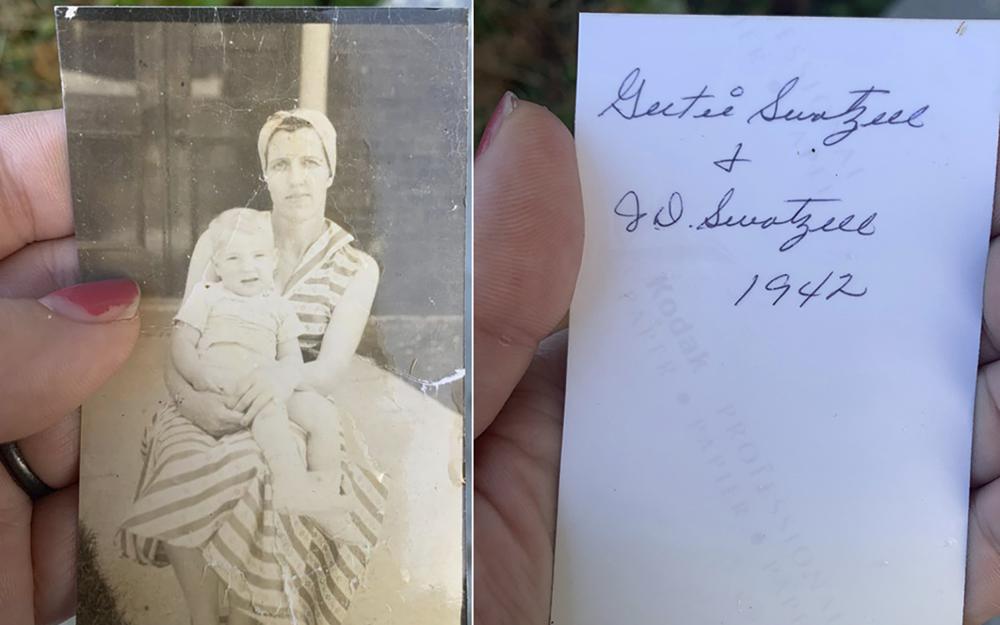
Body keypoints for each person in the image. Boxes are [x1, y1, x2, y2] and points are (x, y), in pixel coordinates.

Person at [3, 98, 1000, 625]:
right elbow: (183, 333)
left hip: (290, 400)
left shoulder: (354, 263)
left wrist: (269, 394)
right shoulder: (229, 231)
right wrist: (208, 386)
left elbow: (325, 370)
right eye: (283, 159)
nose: (296, 173)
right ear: (264, 170)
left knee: (280, 458)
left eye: (311, 159)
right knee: (190, 467)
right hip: (205, 396)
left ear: (331, 169)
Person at [170, 207, 359, 542]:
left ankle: (325, 490)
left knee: (322, 413)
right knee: (269, 414)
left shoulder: (278, 306)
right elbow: (181, 341)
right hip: (222, 381)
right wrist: (197, 375)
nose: (248, 267)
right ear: (216, 266)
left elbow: (291, 359)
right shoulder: (208, 295)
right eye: (233, 259)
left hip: (265, 381)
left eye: (258, 255)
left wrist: (281, 378)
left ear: (273, 260)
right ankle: (291, 487)